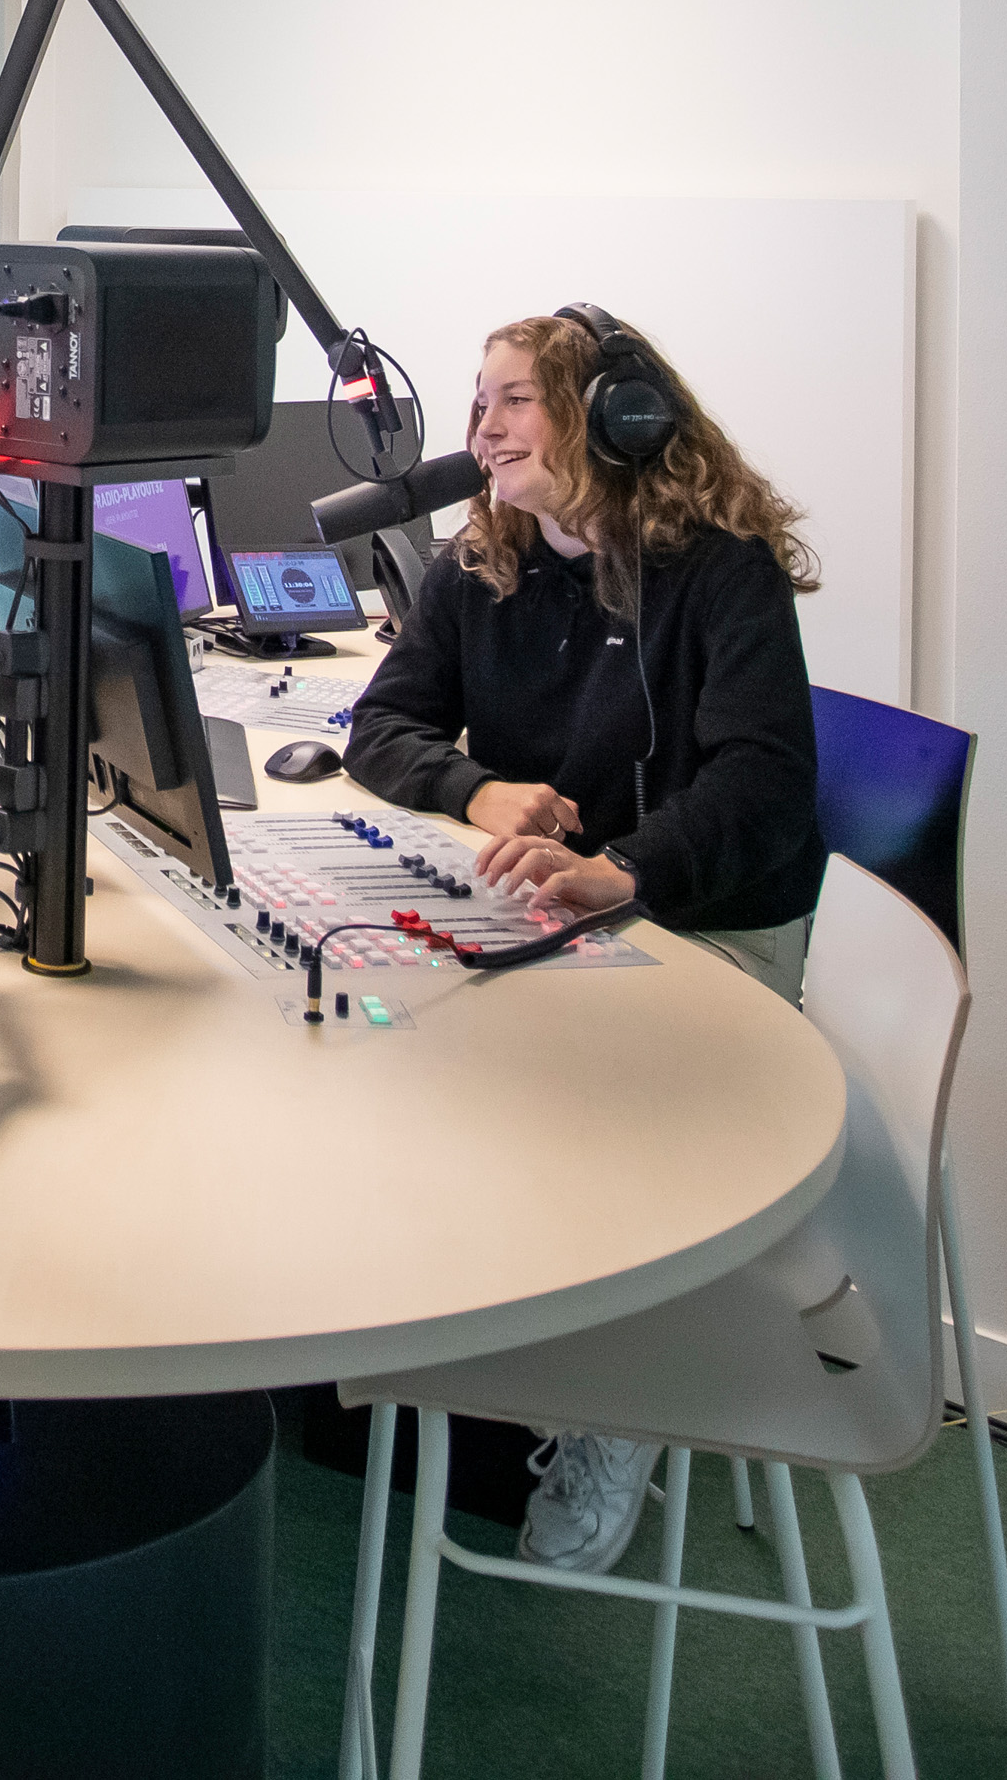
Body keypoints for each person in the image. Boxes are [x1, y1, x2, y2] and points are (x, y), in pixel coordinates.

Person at [340, 302, 827, 1579]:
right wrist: (473, 791)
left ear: (615, 420)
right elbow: (378, 727)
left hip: (705, 924)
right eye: (479, 399)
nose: (480, 427)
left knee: (562, 1097)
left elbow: (763, 781)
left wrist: (625, 869)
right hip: (557, 906)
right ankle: (466, 1337)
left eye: (511, 399)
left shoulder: (718, 568)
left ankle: (613, 1407)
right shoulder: (481, 560)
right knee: (404, 1048)